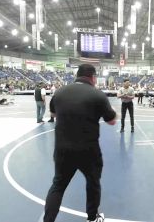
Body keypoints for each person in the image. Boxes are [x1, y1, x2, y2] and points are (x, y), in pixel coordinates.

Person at [43, 64, 117, 222]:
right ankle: (92, 218)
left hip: (63, 149)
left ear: (77, 75)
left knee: (58, 185)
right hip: (88, 150)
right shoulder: (97, 95)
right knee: (93, 183)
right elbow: (111, 121)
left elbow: (53, 114)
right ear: (93, 77)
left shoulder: (60, 92)